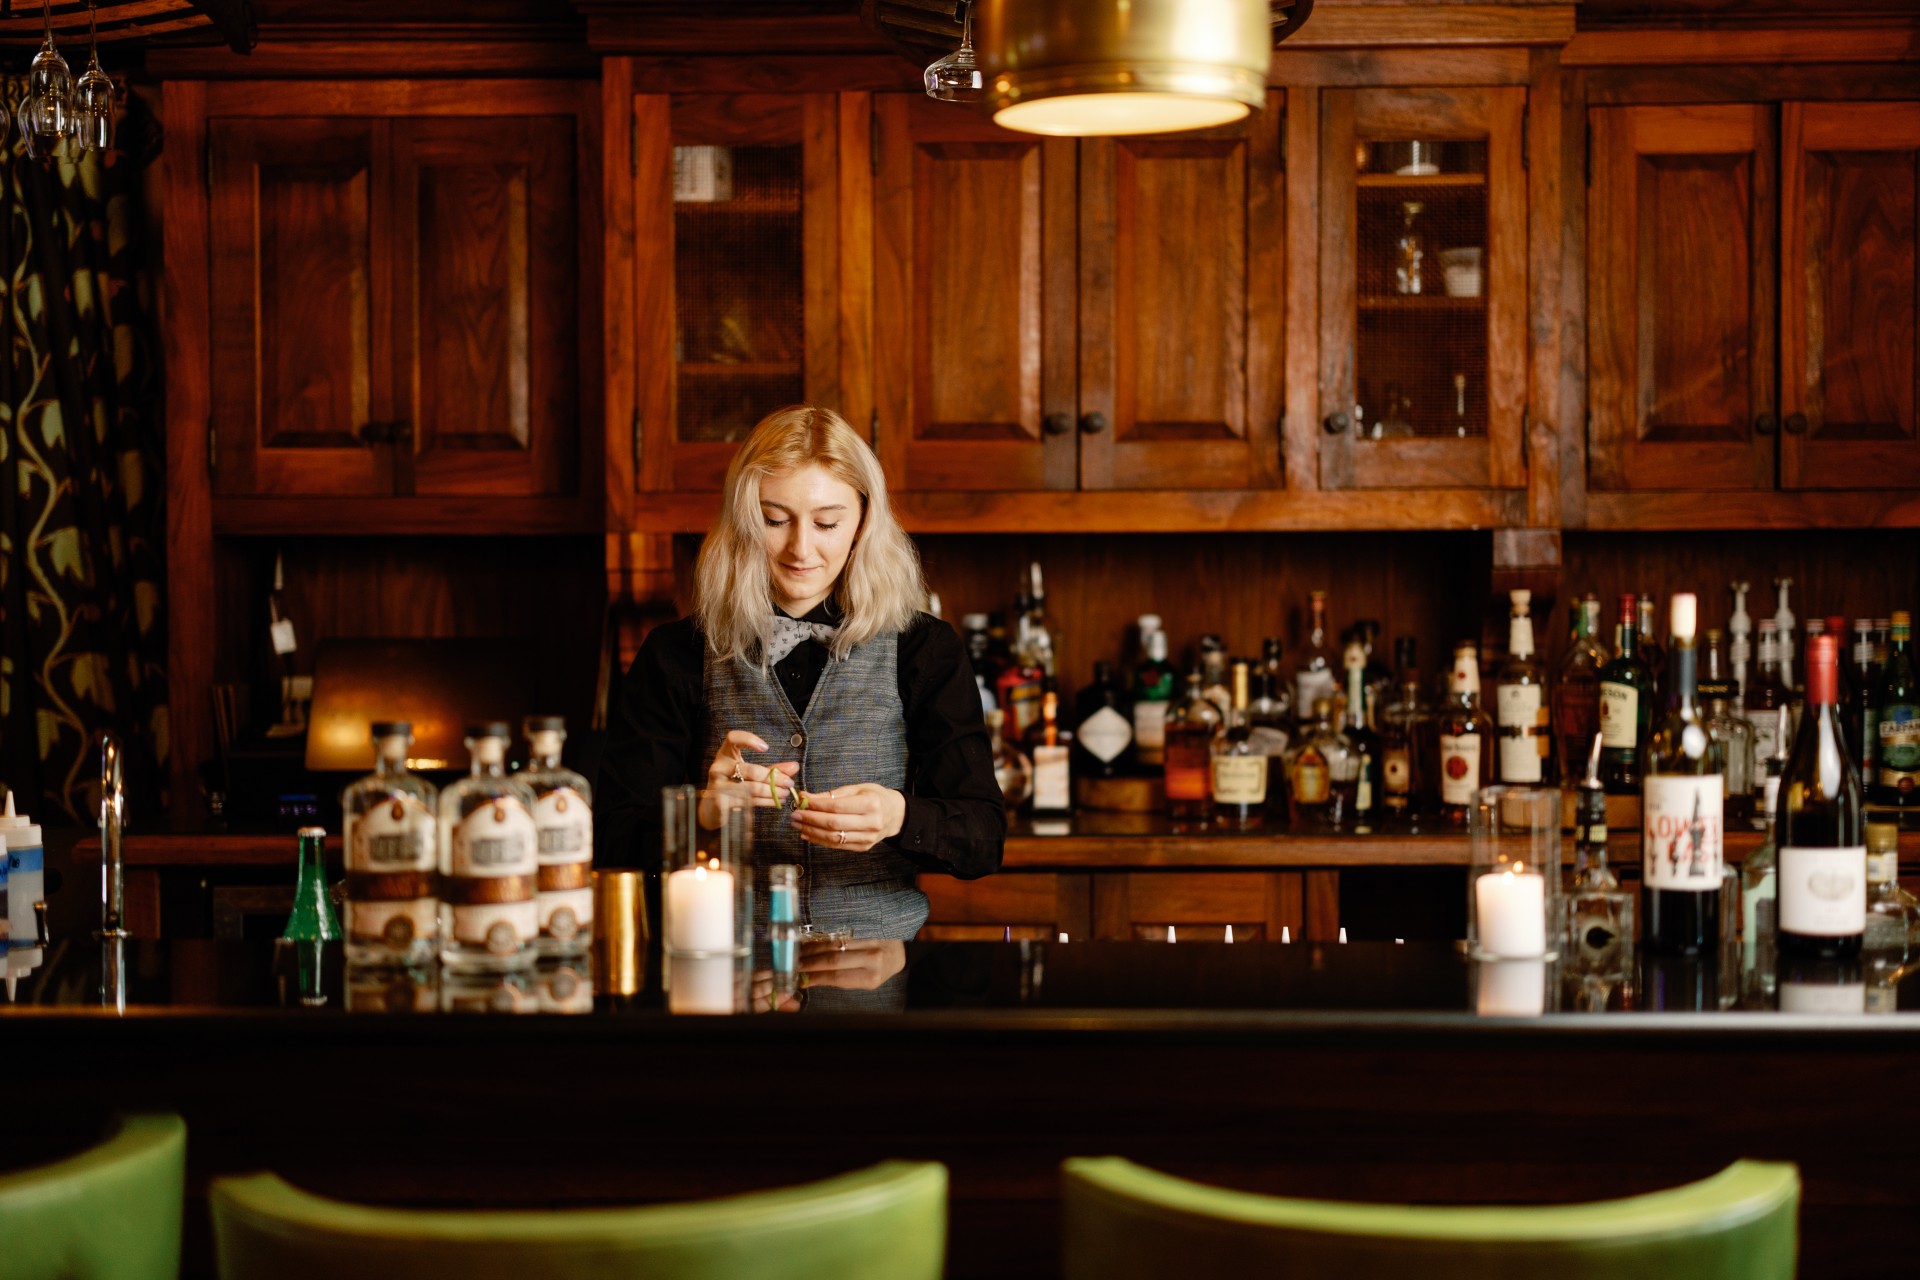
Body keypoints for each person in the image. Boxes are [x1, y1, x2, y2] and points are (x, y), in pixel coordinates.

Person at [596, 405, 1004, 942]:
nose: (801, 549)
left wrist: (899, 816)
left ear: (861, 523)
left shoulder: (924, 648)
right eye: (774, 519)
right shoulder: (676, 653)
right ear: (743, 521)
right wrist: (701, 813)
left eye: (827, 522)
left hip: (877, 970)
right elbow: (613, 842)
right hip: (722, 967)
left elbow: (983, 839)